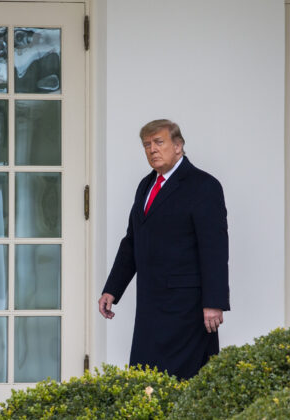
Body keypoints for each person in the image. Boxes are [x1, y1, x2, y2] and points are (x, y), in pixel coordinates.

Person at [98, 119, 229, 380]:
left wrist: (214, 303)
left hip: (188, 308)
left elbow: (214, 248)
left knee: (185, 381)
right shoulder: (146, 186)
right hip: (150, 304)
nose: (152, 150)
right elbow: (132, 241)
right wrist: (113, 288)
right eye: (147, 145)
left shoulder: (204, 186)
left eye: (159, 142)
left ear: (178, 146)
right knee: (146, 381)